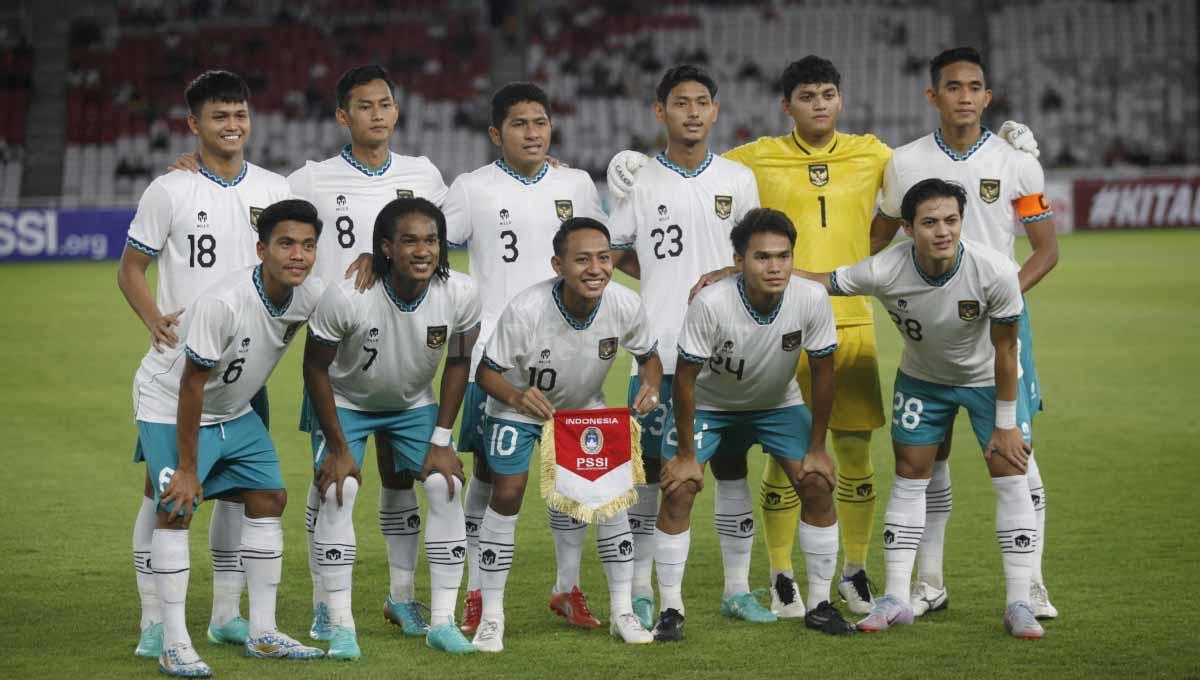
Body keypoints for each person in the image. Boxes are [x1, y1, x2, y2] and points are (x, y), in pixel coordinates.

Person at [607, 55, 1042, 618]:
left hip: (848, 317)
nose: (819, 104)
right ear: (786, 106)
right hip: (760, 328)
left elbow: (934, 177)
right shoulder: (751, 161)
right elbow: (681, 167)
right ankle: (779, 573)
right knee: (751, 455)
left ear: (841, 99)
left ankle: (856, 571)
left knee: (851, 454)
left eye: (827, 94)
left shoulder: (879, 154)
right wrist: (632, 159)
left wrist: (1016, 155)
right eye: (806, 96)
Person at [802, 178, 1043, 639]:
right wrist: (748, 274)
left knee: (1010, 475)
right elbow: (823, 282)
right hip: (923, 382)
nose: (942, 231)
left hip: (987, 381)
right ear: (908, 228)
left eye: (951, 220)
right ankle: (895, 597)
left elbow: (1008, 350)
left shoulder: (994, 271)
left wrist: (1008, 423)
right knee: (910, 477)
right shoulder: (885, 268)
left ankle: (1019, 602)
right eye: (929, 222)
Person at [874, 47, 1059, 620]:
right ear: (933, 96)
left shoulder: (1017, 164)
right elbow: (877, 240)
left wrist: (998, 300)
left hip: (998, 328)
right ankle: (928, 581)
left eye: (974, 86)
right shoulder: (903, 164)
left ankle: (1030, 586)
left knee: (1016, 454)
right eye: (951, 86)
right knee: (929, 457)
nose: (964, 96)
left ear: (987, 96)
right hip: (930, 332)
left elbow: (1046, 250)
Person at [118, 69, 291, 659]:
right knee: (163, 492)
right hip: (180, 370)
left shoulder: (273, 189)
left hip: (247, 372)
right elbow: (130, 270)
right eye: (219, 116)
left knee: (242, 493)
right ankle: (152, 621)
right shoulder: (170, 189)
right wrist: (155, 319)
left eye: (240, 114)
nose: (233, 125)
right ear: (194, 124)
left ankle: (225, 615)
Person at [288, 64, 449, 642]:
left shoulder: (423, 174)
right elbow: (267, 223)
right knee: (334, 482)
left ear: (396, 111)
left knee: (403, 482)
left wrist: (544, 171)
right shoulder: (311, 178)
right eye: (364, 105)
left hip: (407, 355)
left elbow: (450, 235)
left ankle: (401, 599)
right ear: (342, 116)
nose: (377, 114)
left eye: (385, 103)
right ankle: (324, 603)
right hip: (341, 360)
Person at [132, 199, 326, 676]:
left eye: (307, 245)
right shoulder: (224, 303)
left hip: (234, 408)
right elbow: (190, 384)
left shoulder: (309, 295)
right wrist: (188, 470)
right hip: (169, 403)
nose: (297, 255)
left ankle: (261, 632)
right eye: (285, 244)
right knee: (176, 506)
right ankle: (173, 643)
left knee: (268, 497)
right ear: (261, 249)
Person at [441, 82, 605, 634]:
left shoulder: (576, 183)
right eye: (519, 124)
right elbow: (430, 252)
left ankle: (567, 587)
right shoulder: (470, 188)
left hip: (574, 351)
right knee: (490, 477)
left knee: (576, 475)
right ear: (496, 133)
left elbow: (602, 252)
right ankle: (476, 593)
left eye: (540, 122)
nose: (533, 133)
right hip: (498, 356)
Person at [606, 64, 763, 629]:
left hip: (732, 351)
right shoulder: (641, 181)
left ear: (716, 111)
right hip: (661, 352)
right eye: (680, 103)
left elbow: (757, 252)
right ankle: (646, 590)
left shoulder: (739, 179)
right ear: (660, 112)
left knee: (731, 464)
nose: (692, 112)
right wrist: (654, 274)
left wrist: (725, 270)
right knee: (653, 472)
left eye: (702, 102)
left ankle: (737, 589)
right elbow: (614, 249)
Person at [651, 208, 853, 643]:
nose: (775, 266)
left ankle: (819, 604)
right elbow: (684, 380)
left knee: (817, 481)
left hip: (777, 404)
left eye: (783, 256)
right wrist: (686, 456)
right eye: (762, 257)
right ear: (739, 259)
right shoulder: (711, 302)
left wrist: (817, 447)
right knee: (679, 488)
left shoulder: (811, 298)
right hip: (709, 405)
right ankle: (670, 609)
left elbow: (823, 374)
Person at [470, 218, 662, 652]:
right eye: (582, 259)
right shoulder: (526, 309)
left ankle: (622, 611)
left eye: (604, 257)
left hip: (582, 408)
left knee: (611, 498)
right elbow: (485, 373)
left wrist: (650, 384)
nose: (596, 268)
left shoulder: (624, 305)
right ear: (558, 264)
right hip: (517, 408)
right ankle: (492, 616)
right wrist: (519, 398)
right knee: (508, 491)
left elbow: (650, 356)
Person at [302, 198, 480, 658]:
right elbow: (315, 369)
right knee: (340, 490)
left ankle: (440, 620)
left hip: (413, 403)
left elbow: (459, 361)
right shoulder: (347, 296)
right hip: (346, 400)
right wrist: (339, 446)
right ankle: (337, 621)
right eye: (409, 241)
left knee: (445, 485)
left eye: (432, 240)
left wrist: (442, 439)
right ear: (385, 247)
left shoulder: (460, 293)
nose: (423, 250)